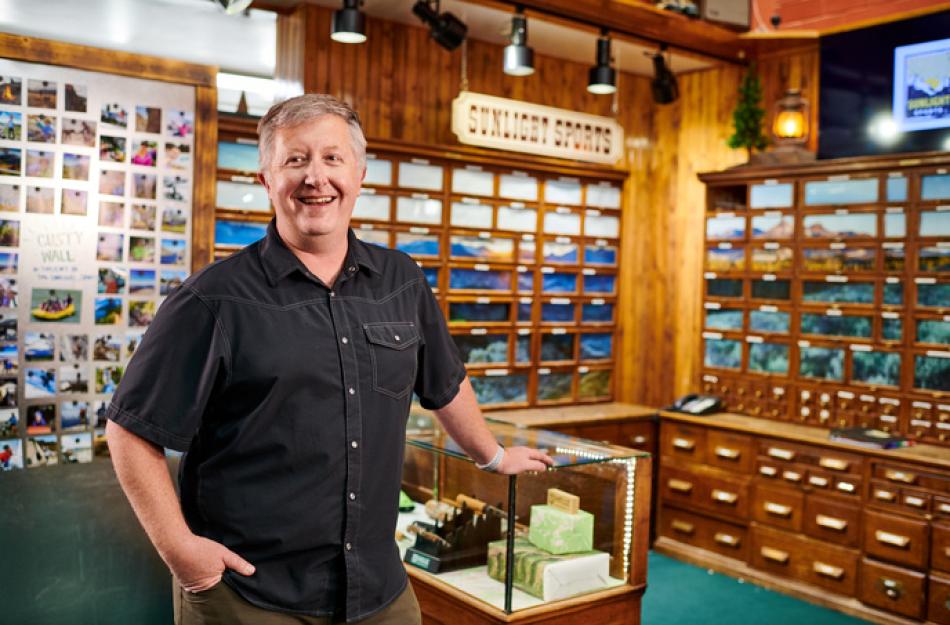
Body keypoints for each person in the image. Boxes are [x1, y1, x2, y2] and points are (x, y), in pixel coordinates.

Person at [106, 94, 553, 625]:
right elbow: (131, 430)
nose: (316, 177)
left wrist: (493, 457)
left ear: (359, 175)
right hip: (249, 595)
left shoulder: (401, 281)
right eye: (295, 160)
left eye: (332, 159)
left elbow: (444, 383)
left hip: (377, 591)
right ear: (267, 180)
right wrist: (183, 552)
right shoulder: (213, 300)